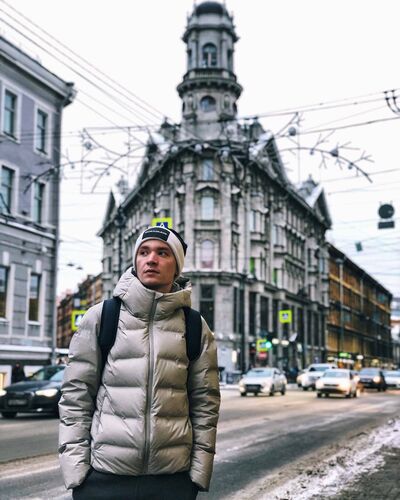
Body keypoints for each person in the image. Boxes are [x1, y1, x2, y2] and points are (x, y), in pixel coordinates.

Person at [59, 226, 221, 499]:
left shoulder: (194, 326)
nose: (151, 259)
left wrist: (196, 476)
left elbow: (206, 404)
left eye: (163, 253)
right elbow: (76, 397)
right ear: (135, 261)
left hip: (172, 481)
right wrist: (78, 472)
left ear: (177, 265)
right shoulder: (102, 317)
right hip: (104, 478)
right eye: (143, 252)